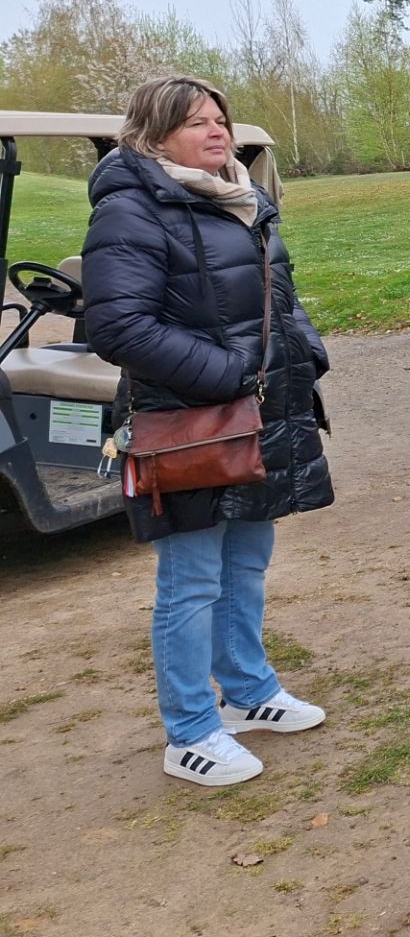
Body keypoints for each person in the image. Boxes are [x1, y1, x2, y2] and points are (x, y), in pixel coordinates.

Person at [83, 76, 334, 787]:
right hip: (189, 423)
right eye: (196, 122)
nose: (217, 131)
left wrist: (305, 350)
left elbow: (280, 294)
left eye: (220, 119)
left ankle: (248, 692)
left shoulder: (241, 198)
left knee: (246, 562)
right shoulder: (132, 208)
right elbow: (118, 326)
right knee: (191, 579)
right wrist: (229, 373)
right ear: (154, 134)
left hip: (259, 415)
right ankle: (190, 732)